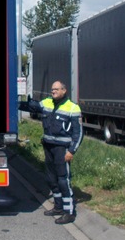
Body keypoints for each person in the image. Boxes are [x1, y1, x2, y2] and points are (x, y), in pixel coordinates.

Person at [19, 80, 83, 224]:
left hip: (62, 149)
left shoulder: (72, 108)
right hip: (48, 147)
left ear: (64, 90)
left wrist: (72, 151)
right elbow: (33, 107)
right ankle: (58, 207)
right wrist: (16, 104)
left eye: (56, 89)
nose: (53, 91)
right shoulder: (47, 102)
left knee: (63, 180)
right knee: (51, 179)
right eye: (52, 89)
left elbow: (78, 133)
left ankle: (69, 212)